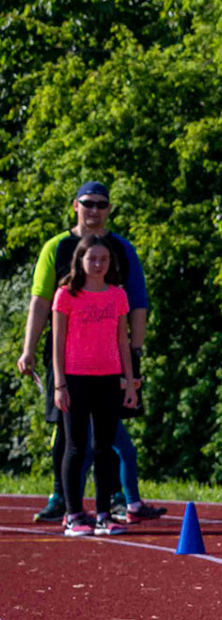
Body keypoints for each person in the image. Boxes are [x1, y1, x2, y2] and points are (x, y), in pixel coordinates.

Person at [15, 181, 167, 524]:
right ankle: (62, 499)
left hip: (110, 359)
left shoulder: (122, 249)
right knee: (67, 429)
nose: (94, 210)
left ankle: (114, 499)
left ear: (109, 209)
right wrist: (28, 349)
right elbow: (40, 302)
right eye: (88, 203)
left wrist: (135, 352)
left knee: (109, 432)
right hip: (67, 358)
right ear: (76, 206)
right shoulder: (56, 247)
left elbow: (137, 303)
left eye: (101, 204)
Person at [51, 235, 140, 535]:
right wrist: (59, 384)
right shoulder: (66, 295)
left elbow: (123, 341)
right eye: (92, 259)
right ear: (80, 260)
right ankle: (74, 514)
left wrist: (129, 383)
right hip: (75, 378)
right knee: (76, 447)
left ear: (110, 262)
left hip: (108, 378)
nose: (98, 264)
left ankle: (104, 514)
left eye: (104, 259)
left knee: (104, 448)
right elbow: (58, 341)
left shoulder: (117, 295)